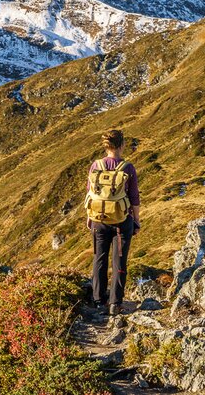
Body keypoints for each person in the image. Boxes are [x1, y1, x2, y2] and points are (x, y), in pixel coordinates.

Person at [86, 128, 140, 316]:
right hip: (121, 221)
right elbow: (134, 197)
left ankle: (97, 300)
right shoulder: (127, 167)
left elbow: (90, 193)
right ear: (122, 145)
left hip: (98, 220)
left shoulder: (96, 165)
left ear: (106, 146)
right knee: (119, 261)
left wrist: (89, 218)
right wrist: (136, 221)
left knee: (99, 257)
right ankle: (114, 303)